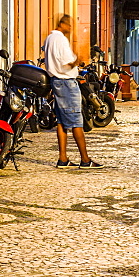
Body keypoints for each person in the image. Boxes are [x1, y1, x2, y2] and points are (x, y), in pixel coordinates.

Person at [43, 14, 104, 169]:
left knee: (61, 121)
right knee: (77, 120)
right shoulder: (61, 40)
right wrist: (76, 61)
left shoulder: (49, 38)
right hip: (66, 82)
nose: (71, 29)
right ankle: (85, 159)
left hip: (56, 81)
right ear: (62, 24)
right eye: (69, 26)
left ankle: (63, 158)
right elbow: (66, 63)